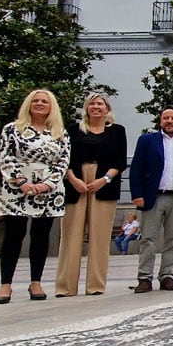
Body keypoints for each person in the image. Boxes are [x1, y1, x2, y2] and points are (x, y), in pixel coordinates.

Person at [0, 89, 70, 304]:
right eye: (35, 100)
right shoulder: (12, 129)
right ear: (28, 104)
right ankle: (5, 285)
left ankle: (36, 281)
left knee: (41, 237)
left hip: (48, 191)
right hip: (17, 188)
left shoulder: (59, 133)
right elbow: (6, 156)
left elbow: (63, 161)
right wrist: (21, 182)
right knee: (13, 236)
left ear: (51, 106)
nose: (39, 104)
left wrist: (47, 184)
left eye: (44, 101)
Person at [56, 92, 127, 297]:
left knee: (100, 237)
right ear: (86, 108)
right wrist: (72, 178)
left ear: (107, 108)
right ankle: (66, 286)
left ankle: (95, 285)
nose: (96, 107)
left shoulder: (117, 131)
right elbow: (64, 158)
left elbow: (120, 161)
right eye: (92, 104)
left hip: (104, 183)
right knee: (71, 236)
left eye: (100, 104)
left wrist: (103, 179)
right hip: (76, 183)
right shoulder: (73, 130)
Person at [127, 106, 173, 293]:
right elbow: (136, 168)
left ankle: (167, 275)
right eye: (166, 118)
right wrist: (137, 194)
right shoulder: (147, 141)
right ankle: (144, 278)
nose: (170, 121)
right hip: (152, 197)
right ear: (160, 121)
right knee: (148, 239)